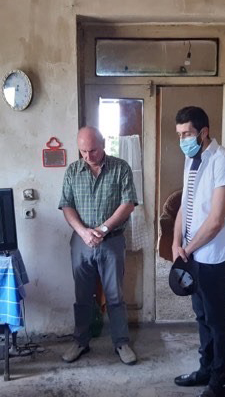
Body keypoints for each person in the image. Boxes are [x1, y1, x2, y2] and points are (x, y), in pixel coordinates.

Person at [171, 107, 225, 397]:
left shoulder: (223, 161)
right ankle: (204, 369)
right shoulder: (191, 158)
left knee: (216, 319)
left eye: (186, 133)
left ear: (204, 131)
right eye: (179, 135)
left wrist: (187, 247)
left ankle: (218, 382)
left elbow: (216, 220)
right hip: (191, 253)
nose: (182, 140)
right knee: (200, 315)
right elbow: (185, 206)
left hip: (211, 256)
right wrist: (176, 243)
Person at [58, 126, 138, 365]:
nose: (88, 156)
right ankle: (80, 342)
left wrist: (103, 229)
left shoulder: (121, 168)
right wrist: (83, 232)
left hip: (111, 241)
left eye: (92, 150)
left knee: (114, 295)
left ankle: (121, 342)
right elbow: (66, 205)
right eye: (83, 151)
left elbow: (128, 204)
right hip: (81, 242)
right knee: (82, 296)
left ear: (103, 144)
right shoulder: (73, 171)